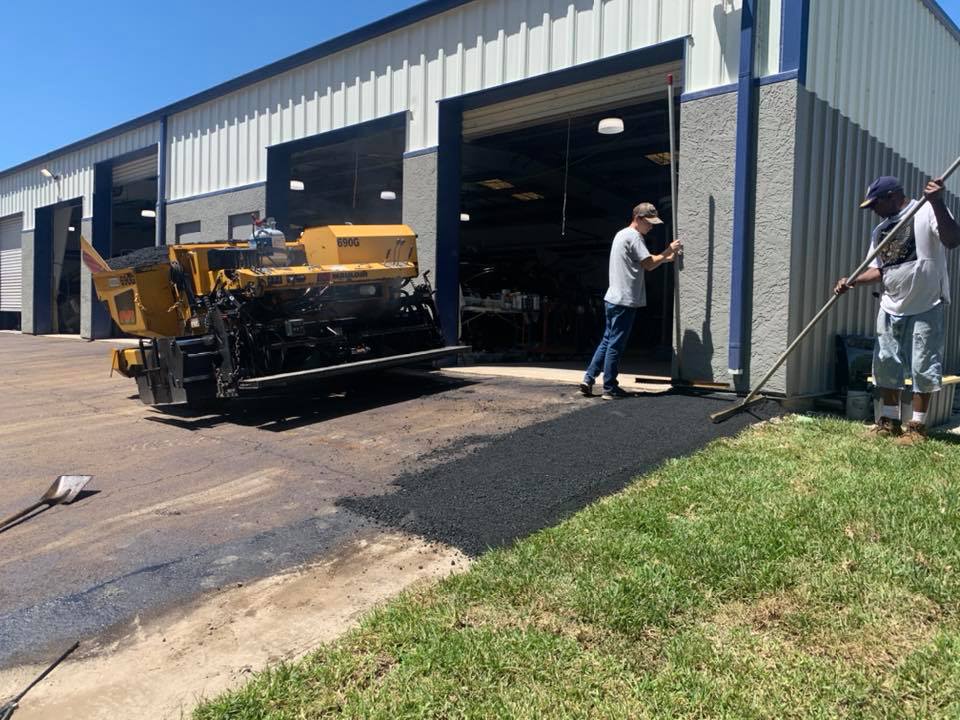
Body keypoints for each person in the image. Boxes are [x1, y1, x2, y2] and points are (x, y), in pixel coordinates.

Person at [835, 175, 960, 443]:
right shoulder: (880, 231)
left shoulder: (926, 210)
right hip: (891, 304)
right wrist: (853, 280)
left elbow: (952, 239)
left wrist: (937, 202)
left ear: (892, 196)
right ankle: (889, 421)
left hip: (927, 303)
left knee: (922, 365)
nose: (872, 211)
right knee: (885, 363)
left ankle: (917, 427)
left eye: (875, 204)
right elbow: (879, 269)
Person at [580, 203, 682, 399]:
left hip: (613, 298)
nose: (651, 227)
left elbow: (644, 260)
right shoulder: (635, 237)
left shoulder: (621, 234)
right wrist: (668, 249)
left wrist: (667, 258)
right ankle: (610, 388)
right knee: (615, 345)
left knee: (607, 341)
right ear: (639, 218)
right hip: (625, 301)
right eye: (649, 223)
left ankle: (588, 378)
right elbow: (649, 264)